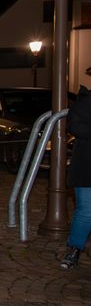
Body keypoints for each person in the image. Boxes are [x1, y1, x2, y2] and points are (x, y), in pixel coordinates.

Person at [63, 75, 91, 269]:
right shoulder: (86, 102)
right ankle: (74, 249)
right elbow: (75, 126)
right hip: (87, 167)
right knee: (86, 211)